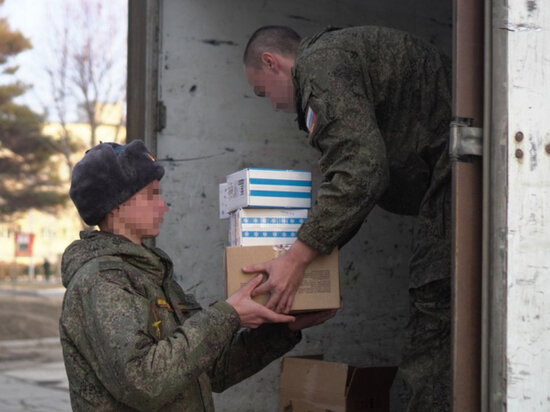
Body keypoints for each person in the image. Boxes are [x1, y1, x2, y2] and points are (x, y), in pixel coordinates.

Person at [242, 25, 452, 411]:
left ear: (271, 62)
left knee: (433, 330)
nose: (271, 104)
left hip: (456, 184)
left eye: (262, 92)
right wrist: (314, 269)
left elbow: (362, 171)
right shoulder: (335, 57)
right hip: (452, 183)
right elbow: (358, 178)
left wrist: (296, 258)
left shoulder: (319, 66)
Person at [60, 140, 335, 411]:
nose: (162, 205)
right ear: (116, 206)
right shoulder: (100, 282)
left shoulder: (150, 273)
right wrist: (228, 315)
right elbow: (143, 382)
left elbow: (215, 369)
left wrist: (284, 328)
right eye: (151, 195)